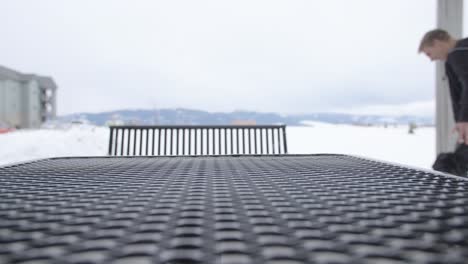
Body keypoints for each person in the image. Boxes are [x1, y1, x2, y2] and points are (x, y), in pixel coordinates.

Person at [419, 29, 468, 176]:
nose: (431, 59)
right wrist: (460, 120)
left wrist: (464, 119)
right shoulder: (454, 58)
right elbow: (457, 95)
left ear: (437, 43)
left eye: (429, 53)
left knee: (450, 165)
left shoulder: (458, 52)